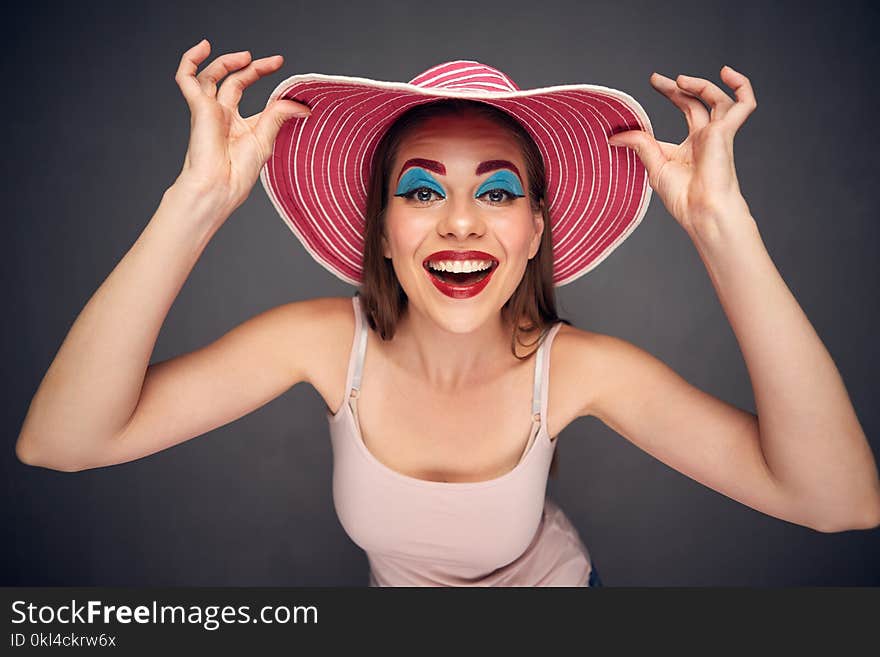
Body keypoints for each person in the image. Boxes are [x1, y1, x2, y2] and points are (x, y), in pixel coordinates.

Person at [15, 40, 880, 588]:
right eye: (422, 190)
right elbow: (63, 440)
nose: (461, 221)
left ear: (536, 229)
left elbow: (837, 502)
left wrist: (722, 229)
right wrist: (195, 200)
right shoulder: (323, 344)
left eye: (497, 193)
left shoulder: (576, 368)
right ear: (383, 234)